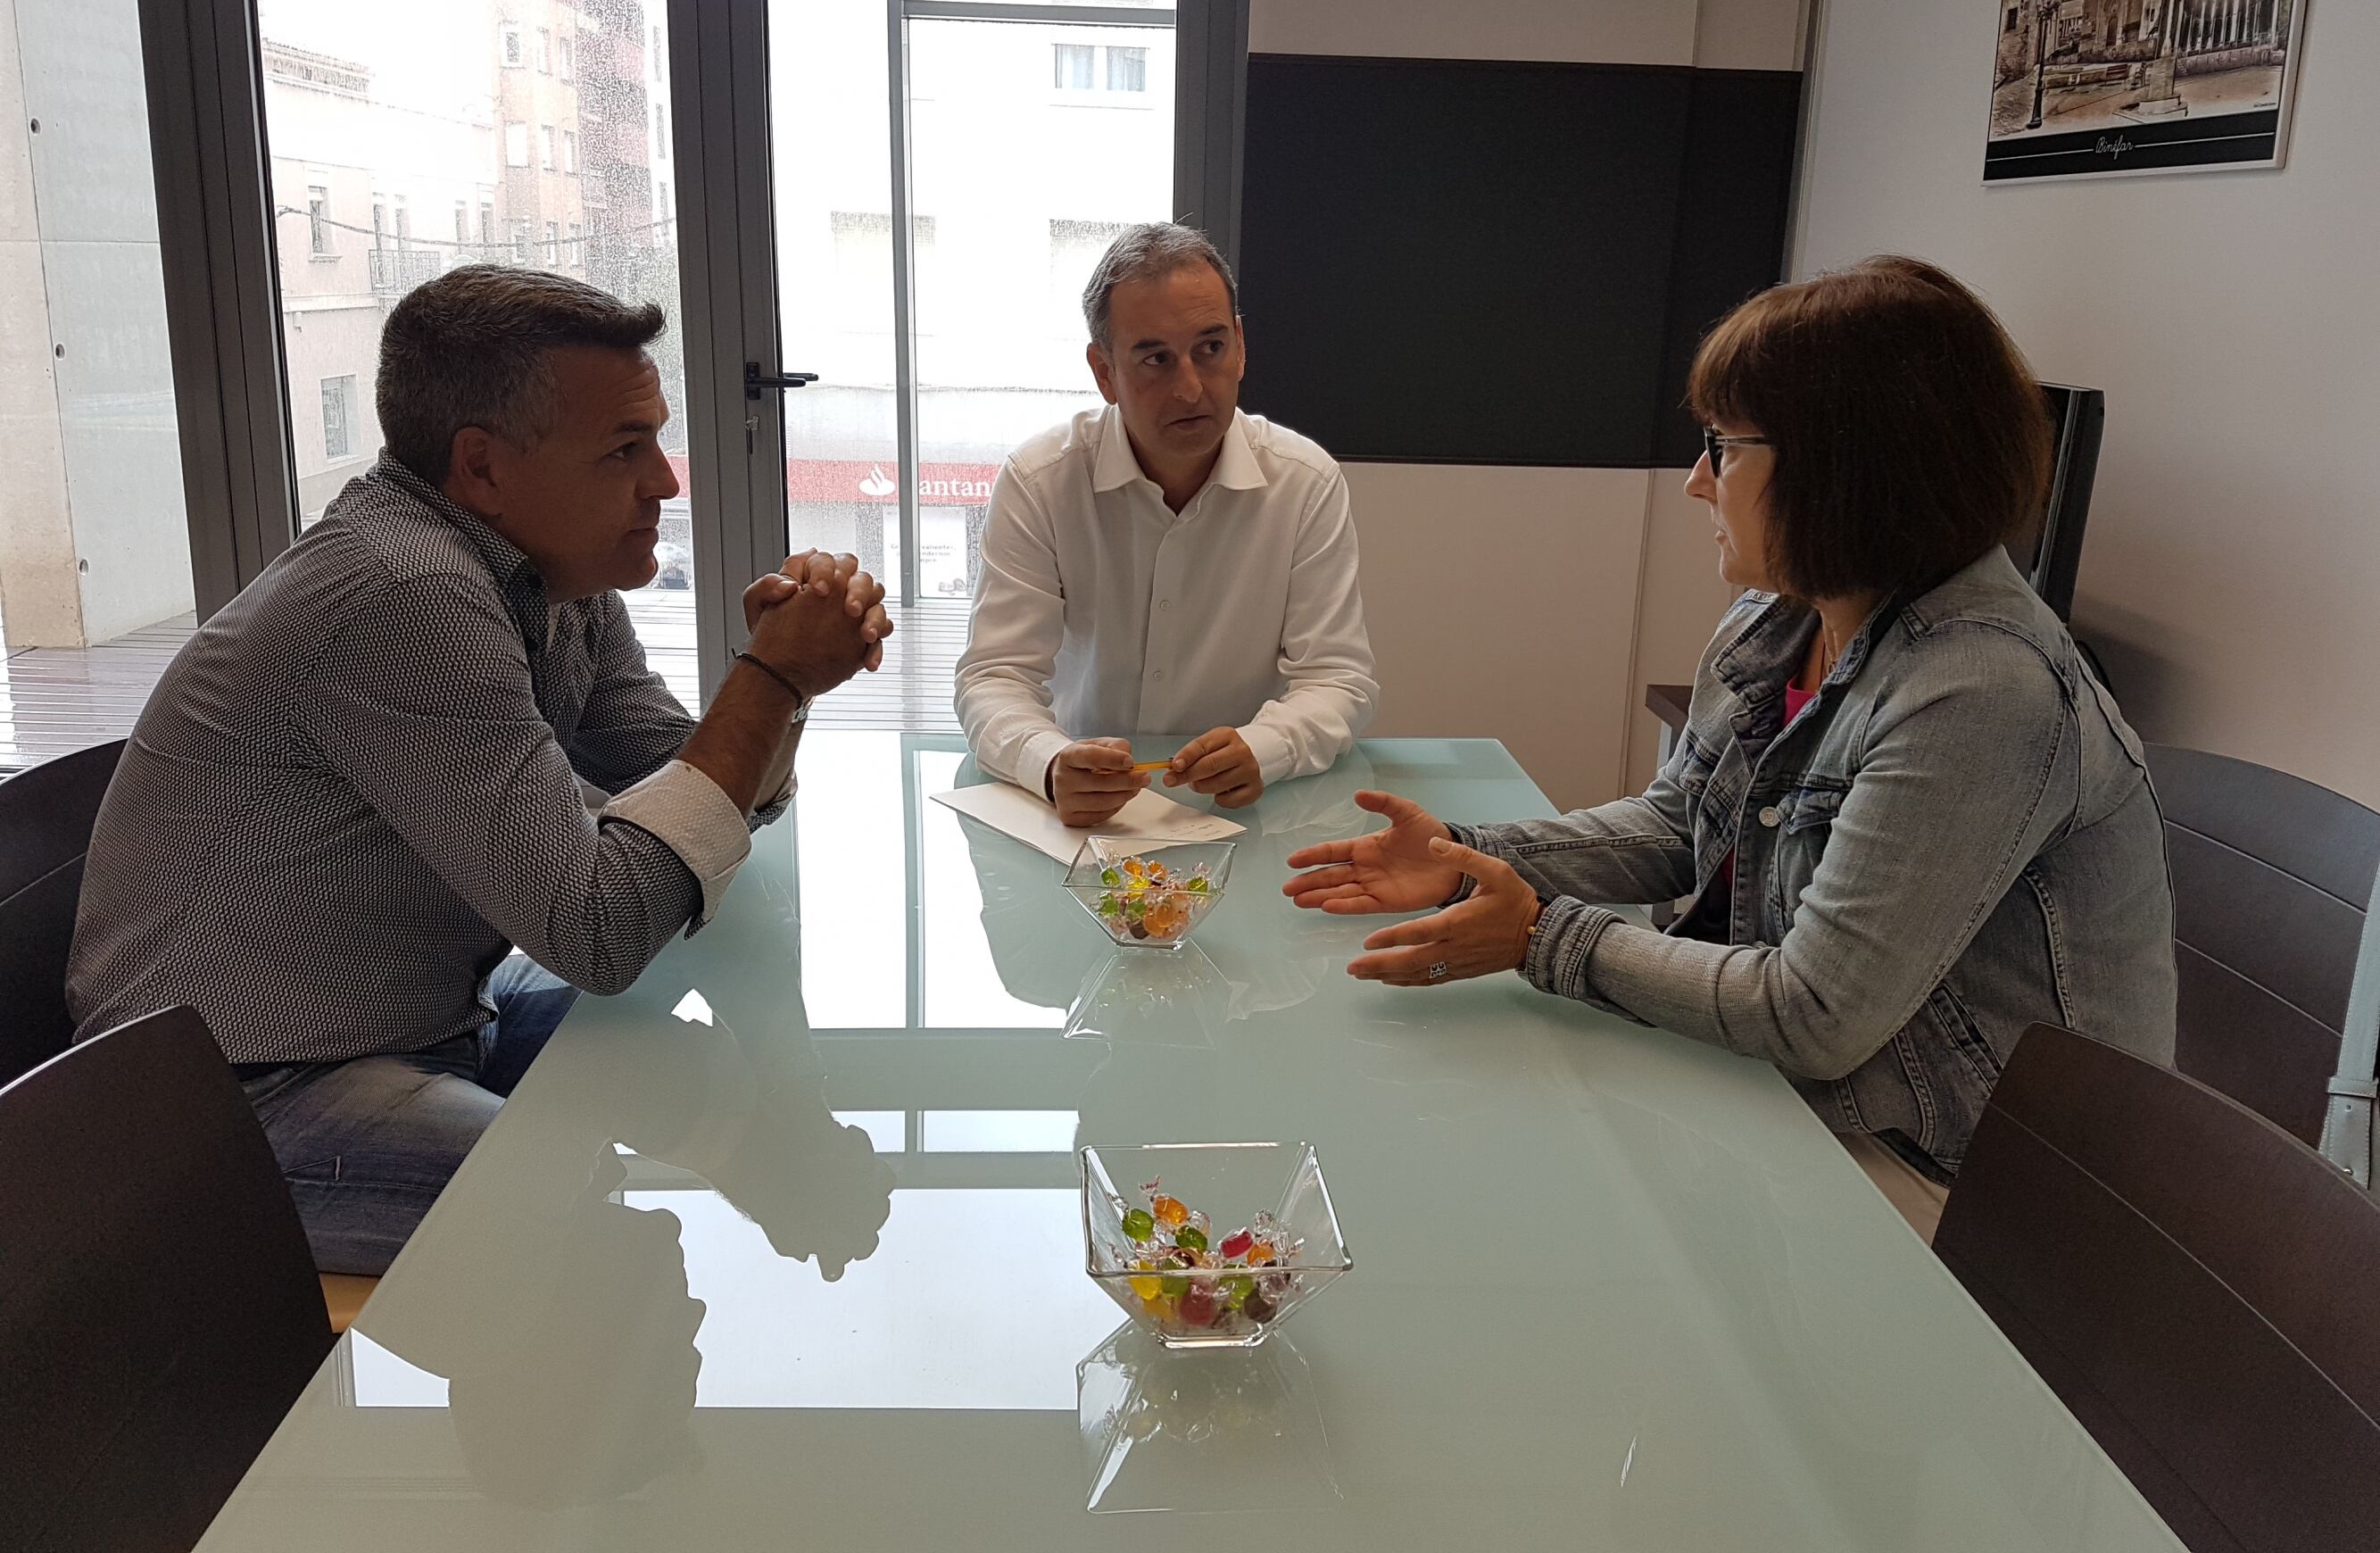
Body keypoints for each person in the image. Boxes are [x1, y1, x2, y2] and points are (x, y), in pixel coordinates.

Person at [64, 264, 892, 1275]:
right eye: (623, 449)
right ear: (483, 468)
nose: (665, 482)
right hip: (239, 1095)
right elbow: (602, 929)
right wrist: (769, 679)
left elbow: (693, 790)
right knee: (583, 1237)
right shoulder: (403, 591)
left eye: (656, 439)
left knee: (711, 1054)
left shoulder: (549, 575)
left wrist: (781, 689)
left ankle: (770, 1177)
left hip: (431, 1010)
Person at [1282, 255, 2175, 1191]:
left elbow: (1813, 1013)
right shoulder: (1785, 613)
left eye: (1724, 446)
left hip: (1966, 1175)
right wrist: (1465, 855)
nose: (1696, 483)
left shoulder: (1980, 692)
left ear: (1842, 464)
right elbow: (1681, 825)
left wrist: (1537, 935)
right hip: (1822, 1096)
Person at [957, 221, 1377, 827]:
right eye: (1155, 359)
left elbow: (1337, 678)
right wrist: (1048, 763)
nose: (1189, 389)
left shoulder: (1304, 482)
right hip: (1083, 808)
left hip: (1242, 806)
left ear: (1240, 346)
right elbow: (995, 675)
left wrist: (1265, 748)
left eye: (1210, 348)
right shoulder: (1041, 480)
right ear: (1104, 371)